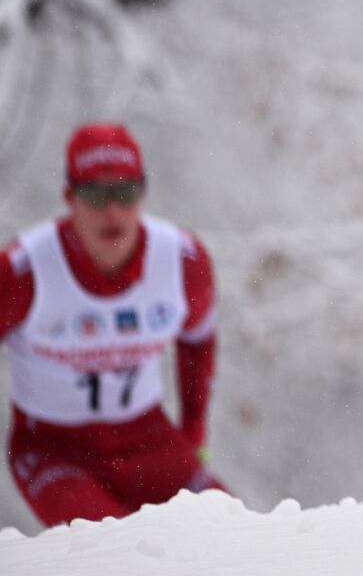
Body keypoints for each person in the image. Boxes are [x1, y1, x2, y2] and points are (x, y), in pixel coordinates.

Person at [1, 123, 225, 527]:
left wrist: (194, 433)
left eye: (124, 193)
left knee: (234, 531)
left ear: (143, 191)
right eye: (94, 194)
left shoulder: (183, 261)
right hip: (54, 448)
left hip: (146, 438)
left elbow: (198, 341)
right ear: (68, 197)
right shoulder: (22, 270)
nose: (112, 211)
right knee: (117, 556)